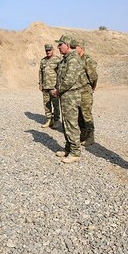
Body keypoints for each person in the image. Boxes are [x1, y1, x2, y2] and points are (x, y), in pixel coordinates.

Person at [51, 35, 85, 163]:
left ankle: (75, 152)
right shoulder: (65, 59)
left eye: (60, 45)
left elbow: (69, 79)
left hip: (71, 96)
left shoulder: (73, 59)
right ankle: (68, 148)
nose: (58, 47)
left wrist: (58, 90)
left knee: (71, 123)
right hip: (65, 95)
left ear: (67, 45)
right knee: (66, 123)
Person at [72, 39, 98, 146]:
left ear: (81, 48)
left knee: (86, 114)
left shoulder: (88, 60)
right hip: (77, 92)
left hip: (85, 91)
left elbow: (93, 76)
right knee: (79, 114)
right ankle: (83, 134)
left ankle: (90, 137)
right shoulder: (76, 59)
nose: (74, 49)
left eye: (75, 47)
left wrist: (91, 87)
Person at [38, 43, 61, 129]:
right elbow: (40, 72)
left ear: (52, 50)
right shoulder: (43, 60)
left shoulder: (58, 60)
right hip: (45, 86)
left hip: (54, 87)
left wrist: (58, 86)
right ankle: (48, 119)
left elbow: (60, 73)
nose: (48, 52)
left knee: (55, 105)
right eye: (46, 50)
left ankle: (56, 120)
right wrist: (40, 83)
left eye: (49, 50)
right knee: (46, 104)